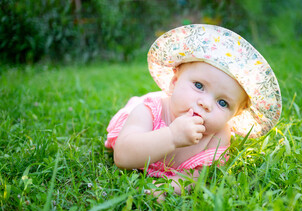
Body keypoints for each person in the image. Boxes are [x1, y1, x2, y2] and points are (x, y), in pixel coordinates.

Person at [105, 24, 282, 197]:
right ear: (174, 82)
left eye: (222, 103)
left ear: (235, 114)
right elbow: (122, 157)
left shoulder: (218, 136)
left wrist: (169, 187)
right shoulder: (148, 111)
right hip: (142, 118)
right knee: (134, 107)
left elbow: (198, 175)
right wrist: (172, 137)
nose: (206, 104)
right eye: (199, 86)